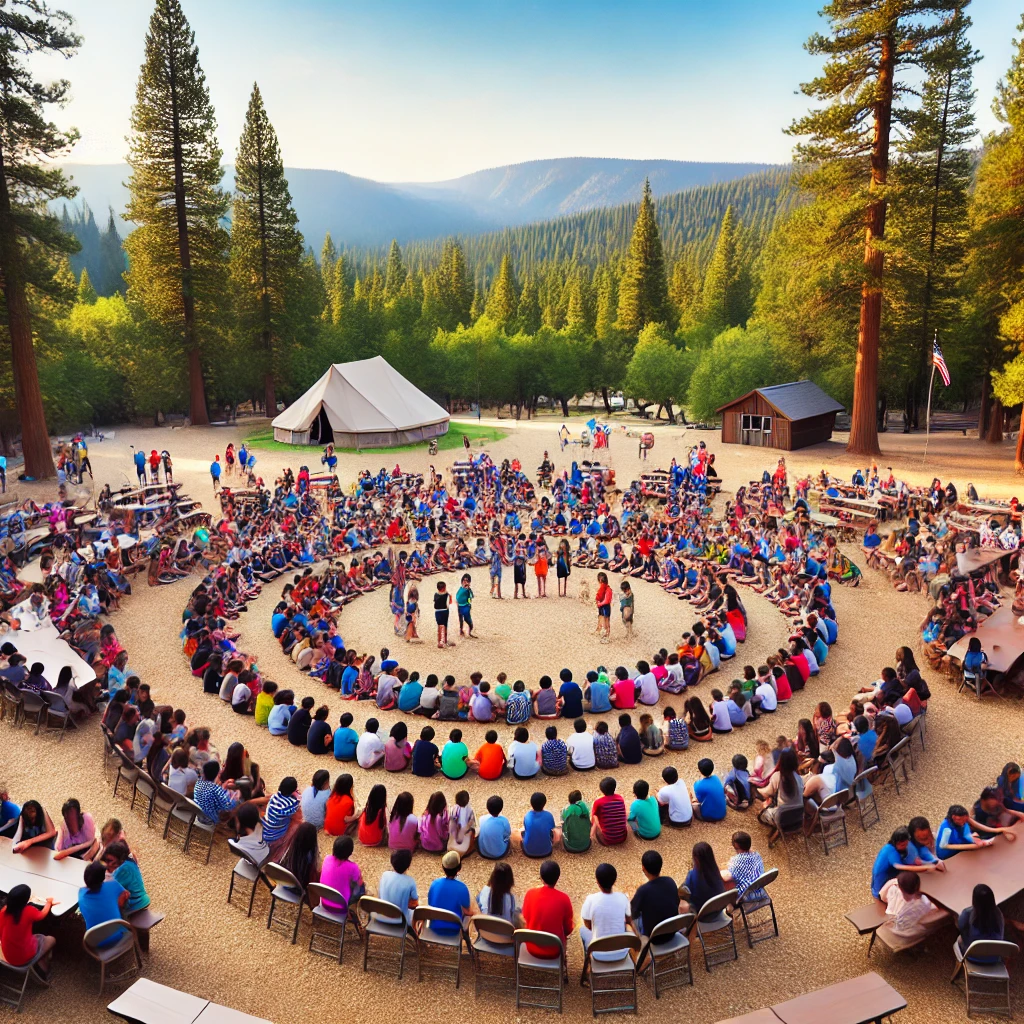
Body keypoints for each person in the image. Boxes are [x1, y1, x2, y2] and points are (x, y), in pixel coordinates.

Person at [580, 862, 635, 975]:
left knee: (581, 929)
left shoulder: (591, 899)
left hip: (598, 953)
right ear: (614, 881)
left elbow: (588, 925)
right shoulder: (623, 898)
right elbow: (629, 920)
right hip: (622, 952)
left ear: (597, 881)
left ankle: (589, 964)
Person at [632, 850, 681, 960]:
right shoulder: (670, 881)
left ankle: (640, 948)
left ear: (643, 868)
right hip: (672, 932)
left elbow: (632, 913)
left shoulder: (643, 891)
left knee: (630, 918)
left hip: (653, 937)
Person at [521, 859, 575, 959]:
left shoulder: (530, 893)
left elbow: (525, 918)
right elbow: (568, 929)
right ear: (557, 878)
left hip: (531, 947)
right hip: (554, 950)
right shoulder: (564, 899)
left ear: (541, 877)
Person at [0, 884, 57, 974]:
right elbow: (42, 914)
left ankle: (38, 960)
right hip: (24, 956)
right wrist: (49, 902)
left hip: (7, 954)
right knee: (51, 939)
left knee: (36, 937)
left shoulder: (4, 911)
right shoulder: (28, 911)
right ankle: (41, 965)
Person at [870, 827, 939, 898]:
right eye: (903, 845)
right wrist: (926, 867)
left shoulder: (895, 847)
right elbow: (902, 867)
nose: (905, 847)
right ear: (897, 843)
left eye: (906, 845)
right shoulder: (891, 852)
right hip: (881, 886)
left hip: (889, 877)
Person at [77, 860, 130, 947]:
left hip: (93, 941)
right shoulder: (113, 885)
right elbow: (126, 895)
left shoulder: (81, 893)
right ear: (102, 878)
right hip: (117, 936)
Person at [878, 871, 940, 939]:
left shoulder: (894, 892)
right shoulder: (925, 902)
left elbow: (882, 897)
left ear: (899, 887)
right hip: (914, 932)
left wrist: (893, 882)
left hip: (896, 930)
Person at [426, 851, 472, 934]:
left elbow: (430, 904)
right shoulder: (462, 887)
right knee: (469, 915)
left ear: (443, 867)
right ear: (459, 868)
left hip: (434, 928)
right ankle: (466, 939)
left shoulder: (435, 883)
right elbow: (467, 912)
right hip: (454, 931)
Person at [958, 883, 1004, 963]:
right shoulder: (998, 914)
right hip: (994, 959)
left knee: (959, 939)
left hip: (971, 957)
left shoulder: (967, 913)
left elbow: (962, 931)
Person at [319, 835, 365, 915]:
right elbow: (359, 883)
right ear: (350, 852)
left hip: (324, 903)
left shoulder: (327, 859)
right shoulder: (353, 867)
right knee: (361, 887)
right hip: (341, 908)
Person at [103, 841, 149, 915]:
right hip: (141, 899)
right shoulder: (129, 861)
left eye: (110, 861)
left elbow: (110, 886)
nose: (109, 864)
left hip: (136, 903)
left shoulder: (124, 868)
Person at [683, 841, 726, 915]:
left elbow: (684, 893)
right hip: (718, 911)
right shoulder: (715, 871)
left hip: (701, 914)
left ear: (695, 859)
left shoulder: (692, 875)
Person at [378, 848, 419, 926]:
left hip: (381, 916)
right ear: (408, 866)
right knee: (419, 913)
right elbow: (414, 905)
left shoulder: (385, 875)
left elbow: (380, 895)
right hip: (400, 920)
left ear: (392, 862)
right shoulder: (410, 881)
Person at [513, 791, 559, 857]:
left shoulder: (527, 816)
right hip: (547, 851)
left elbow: (526, 829)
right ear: (544, 803)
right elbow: (552, 828)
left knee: (522, 832)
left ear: (531, 804)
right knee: (553, 832)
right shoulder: (549, 815)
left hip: (528, 852)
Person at [725, 831, 766, 900]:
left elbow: (725, 877)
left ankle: (729, 904)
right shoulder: (757, 855)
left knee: (727, 881)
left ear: (735, 845)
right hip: (760, 891)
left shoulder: (736, 862)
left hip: (746, 896)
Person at [592, 776, 628, 846]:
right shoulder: (620, 798)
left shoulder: (598, 802)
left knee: (594, 814)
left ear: (601, 790)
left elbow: (595, 815)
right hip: (623, 837)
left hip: (607, 839)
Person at [478, 795, 512, 859]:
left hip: (483, 852)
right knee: (508, 840)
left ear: (487, 808)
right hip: (499, 853)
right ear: (501, 808)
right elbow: (508, 834)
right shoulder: (504, 820)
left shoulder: (482, 819)